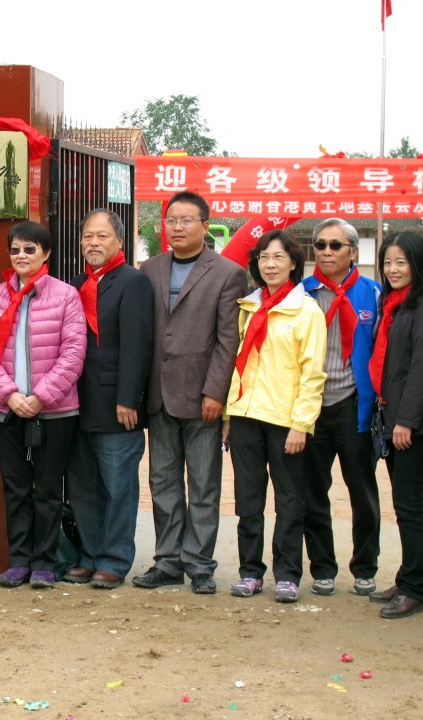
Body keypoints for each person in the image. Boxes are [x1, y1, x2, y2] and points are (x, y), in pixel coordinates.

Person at [135, 191, 246, 594]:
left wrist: (215, 391)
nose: (177, 227)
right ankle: (167, 561)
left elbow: (227, 340)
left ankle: (199, 564)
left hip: (202, 397)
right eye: (171, 220)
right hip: (159, 394)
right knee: (162, 483)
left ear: (205, 225)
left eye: (186, 220)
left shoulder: (228, 273)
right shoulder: (150, 269)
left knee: (203, 485)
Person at [0, 221, 86, 589]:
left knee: (49, 489)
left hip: (54, 410)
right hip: (5, 407)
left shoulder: (66, 295)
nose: (21, 256)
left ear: (46, 253)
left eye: (29, 249)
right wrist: (8, 394)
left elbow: (73, 352)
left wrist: (41, 396)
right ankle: (19, 560)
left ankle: (45, 563)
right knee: (16, 487)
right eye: (15, 250)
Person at [224, 230, 327, 603]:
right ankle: (250, 572)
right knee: (248, 499)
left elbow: (313, 374)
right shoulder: (248, 306)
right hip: (246, 415)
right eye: (264, 257)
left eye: (278, 257)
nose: (270, 264)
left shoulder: (307, 311)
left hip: (286, 420)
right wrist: (229, 413)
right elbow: (236, 365)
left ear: (293, 263)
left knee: (289, 500)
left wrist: (302, 423)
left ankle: (287, 574)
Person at [64, 210, 154, 590]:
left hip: (117, 406)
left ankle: (114, 560)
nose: (93, 243)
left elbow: (138, 344)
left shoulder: (134, 282)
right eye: (88, 236)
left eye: (102, 236)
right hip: (75, 403)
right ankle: (89, 555)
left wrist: (129, 398)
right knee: (83, 487)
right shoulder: (74, 284)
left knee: (119, 488)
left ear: (119, 240)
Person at [301, 218, 381, 597]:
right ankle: (322, 568)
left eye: (336, 245)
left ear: (353, 252)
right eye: (320, 245)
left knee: (363, 493)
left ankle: (365, 567)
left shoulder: (374, 294)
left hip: (354, 406)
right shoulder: (301, 294)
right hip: (311, 407)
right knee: (312, 493)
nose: (327, 252)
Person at [368, 231, 423, 619]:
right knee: (406, 506)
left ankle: (415, 587)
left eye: (401, 262)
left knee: (411, 506)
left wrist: (406, 421)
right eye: (388, 262)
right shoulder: (394, 304)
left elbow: (419, 369)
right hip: (392, 417)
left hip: (410, 425)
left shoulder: (418, 307)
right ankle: (408, 577)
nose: (393, 269)